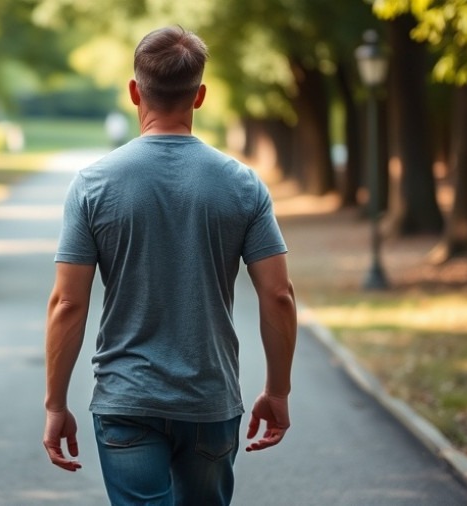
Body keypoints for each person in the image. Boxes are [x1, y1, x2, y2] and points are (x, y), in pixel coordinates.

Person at [42, 26, 297, 505]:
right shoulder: (243, 185)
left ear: (135, 91)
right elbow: (279, 294)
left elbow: (67, 302)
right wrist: (277, 391)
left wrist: (55, 403)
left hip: (126, 401)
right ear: (199, 96)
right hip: (210, 401)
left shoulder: (92, 185)